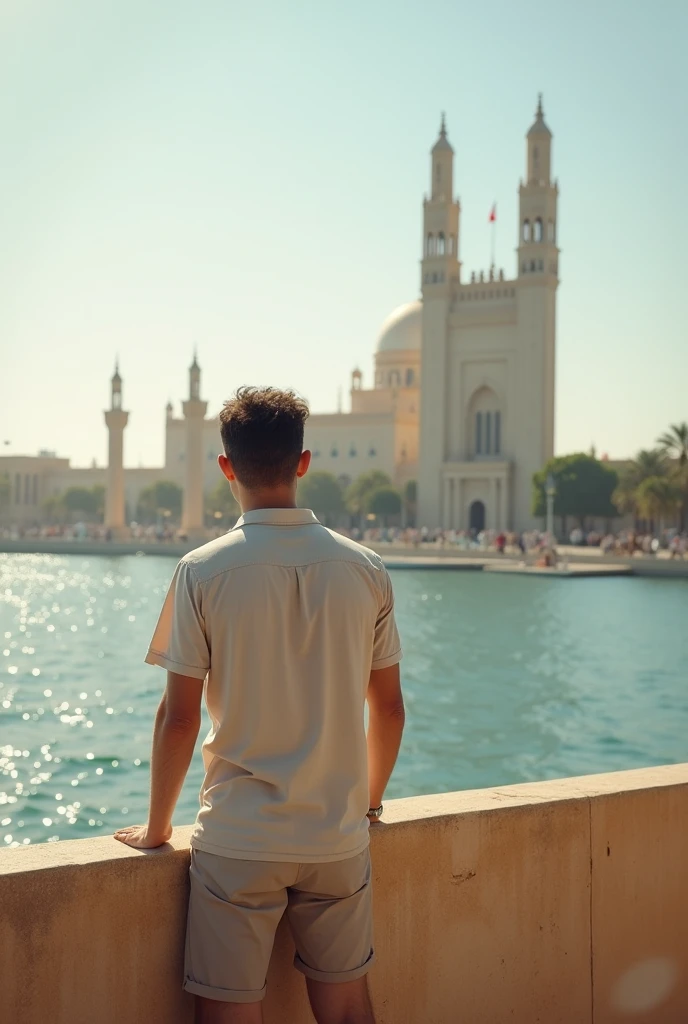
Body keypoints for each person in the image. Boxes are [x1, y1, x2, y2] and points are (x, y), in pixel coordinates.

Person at [114, 386, 405, 1024]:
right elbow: (387, 711)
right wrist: (369, 804)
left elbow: (181, 717)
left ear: (226, 467)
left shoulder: (201, 570)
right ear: (303, 463)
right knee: (350, 1009)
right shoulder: (367, 570)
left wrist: (160, 830)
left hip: (238, 842)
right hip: (336, 835)